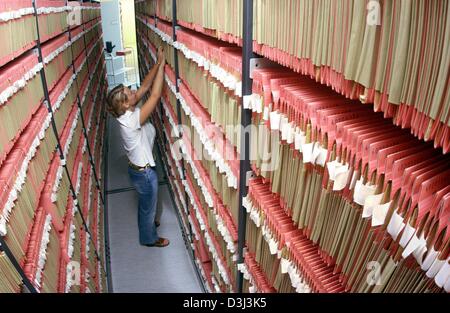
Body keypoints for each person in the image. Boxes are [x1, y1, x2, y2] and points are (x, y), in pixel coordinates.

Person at [106, 47, 169, 248]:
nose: (133, 92)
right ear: (125, 105)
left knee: (146, 205)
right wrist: (161, 65)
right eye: (129, 93)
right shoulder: (131, 120)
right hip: (144, 174)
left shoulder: (127, 111)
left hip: (137, 170)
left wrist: (158, 63)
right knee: (147, 206)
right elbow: (155, 95)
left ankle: (148, 223)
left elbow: (145, 87)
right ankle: (149, 238)